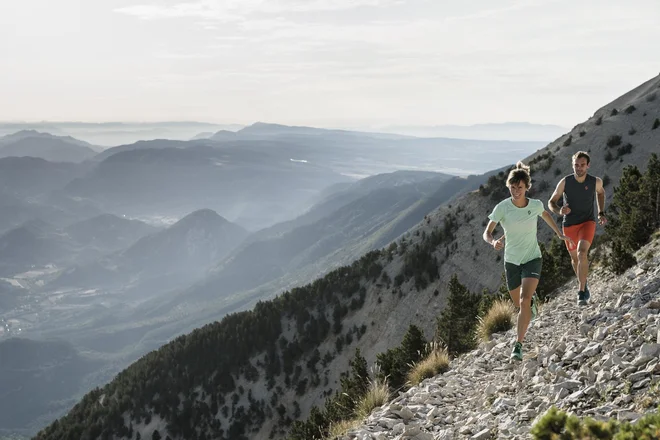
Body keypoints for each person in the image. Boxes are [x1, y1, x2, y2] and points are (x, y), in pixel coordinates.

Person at [483, 161, 574, 361]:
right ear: (509, 186)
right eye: (512, 187)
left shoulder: (535, 205)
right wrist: (493, 242)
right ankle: (531, 304)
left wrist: (559, 234)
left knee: (524, 301)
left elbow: (546, 216)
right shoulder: (502, 208)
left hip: (533, 258)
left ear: (527, 187)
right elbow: (487, 232)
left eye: (520, 187)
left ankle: (518, 345)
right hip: (512, 261)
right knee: (519, 302)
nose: (516, 191)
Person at [548, 151, 606, 306]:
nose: (579, 168)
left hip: (588, 222)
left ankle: (581, 292)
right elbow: (551, 202)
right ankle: (584, 282)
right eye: (576, 165)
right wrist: (559, 210)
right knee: (575, 259)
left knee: (582, 253)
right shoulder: (565, 182)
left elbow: (601, 193)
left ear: (588, 165)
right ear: (572, 165)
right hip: (569, 225)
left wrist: (600, 212)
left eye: (582, 165)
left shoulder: (595, 181)